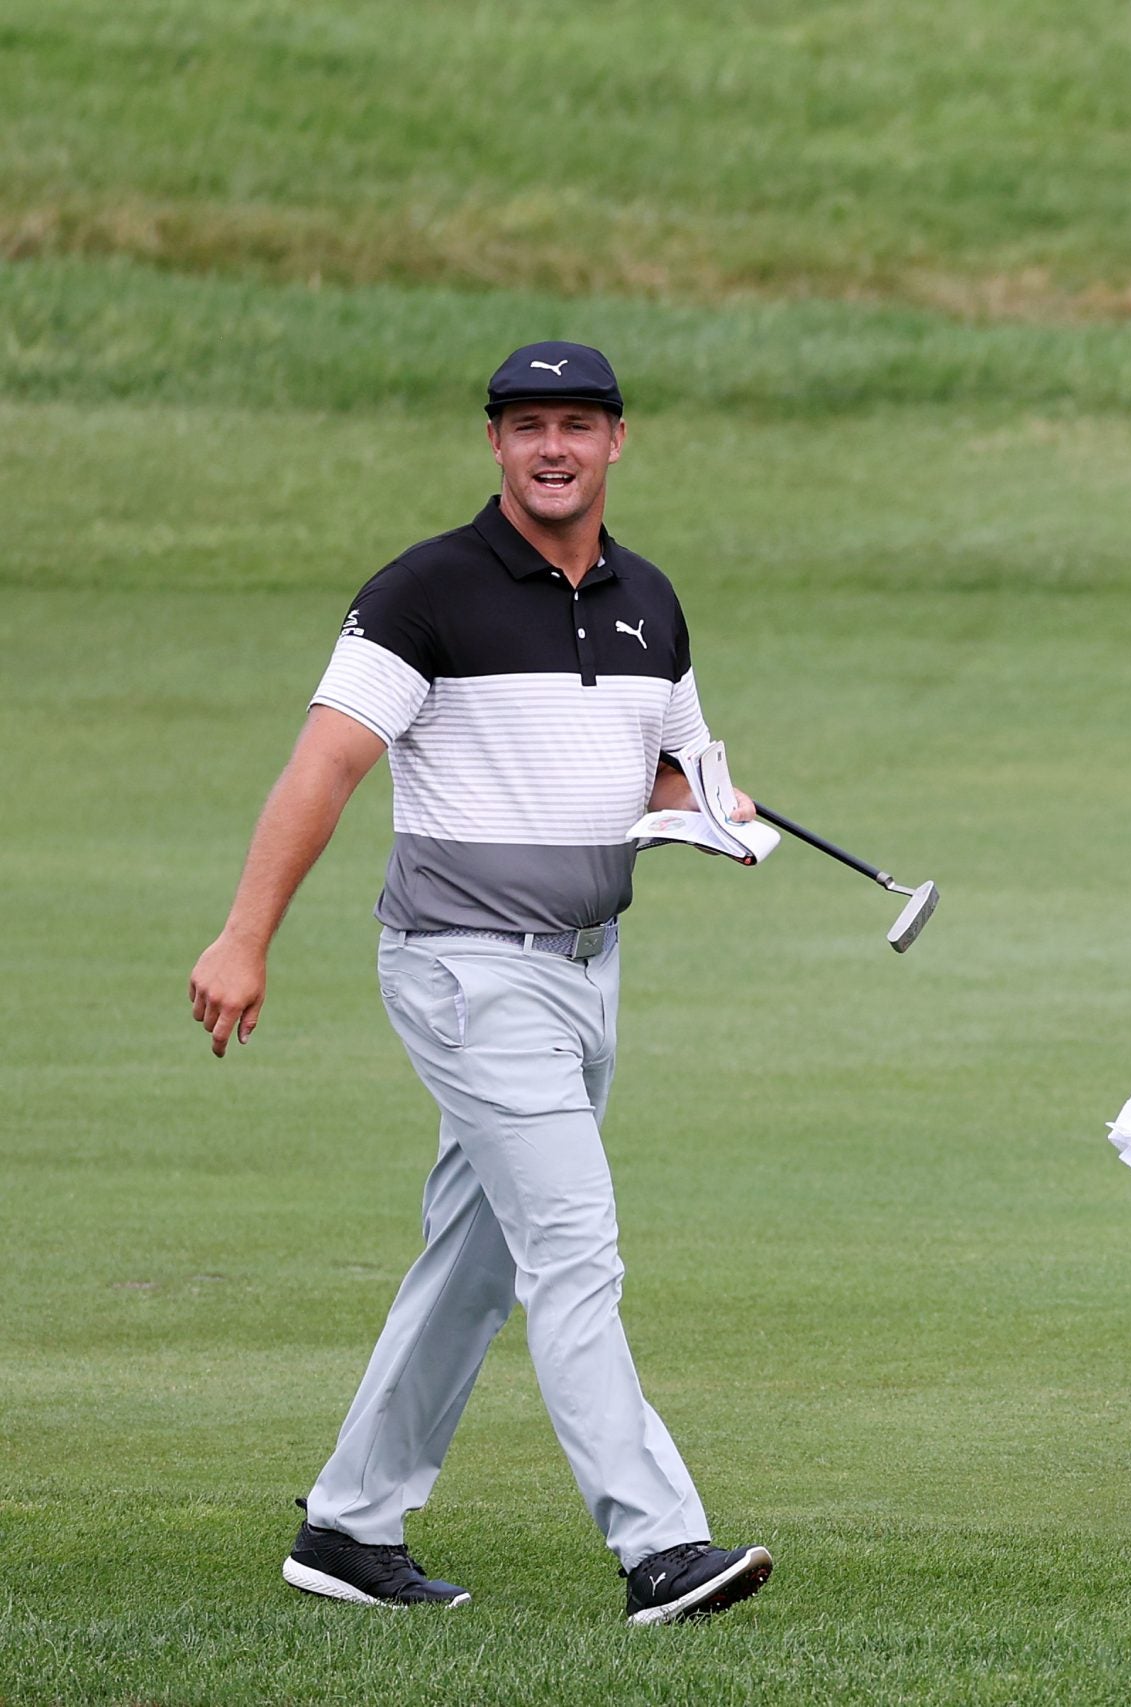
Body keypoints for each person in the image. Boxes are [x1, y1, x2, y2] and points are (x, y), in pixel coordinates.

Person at [186, 342, 776, 1621]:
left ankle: (348, 1526)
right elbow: (326, 765)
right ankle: (661, 1545)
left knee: (479, 1255)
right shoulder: (424, 593)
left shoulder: (650, 601)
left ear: (617, 439)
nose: (553, 447)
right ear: (496, 444)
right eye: (528, 425)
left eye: (577, 423)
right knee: (572, 1245)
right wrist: (244, 935)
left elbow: (669, 766)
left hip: (587, 971)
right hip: (465, 970)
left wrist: (710, 807)